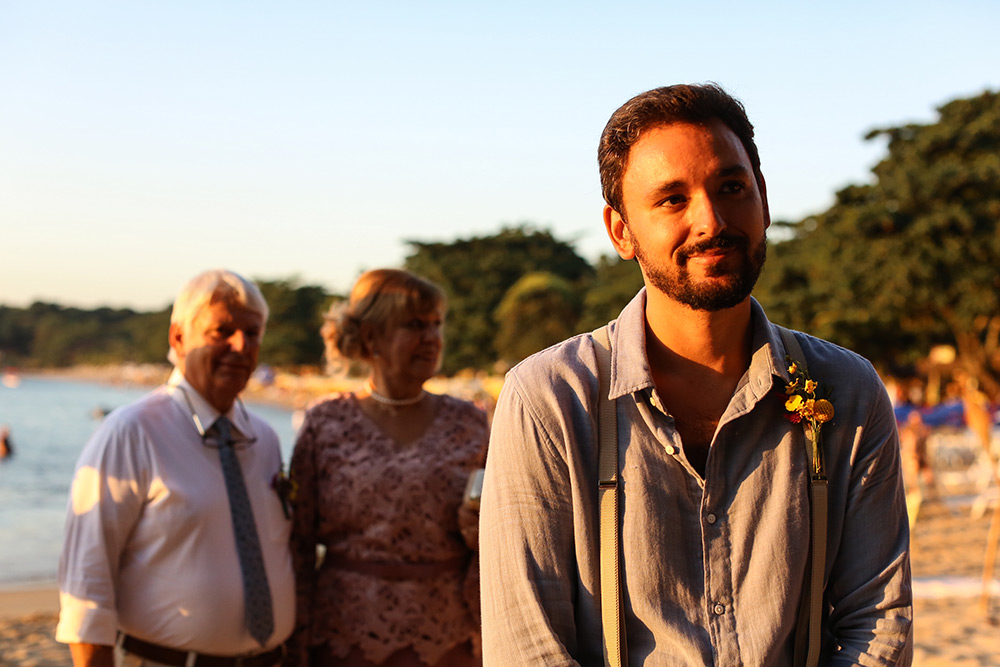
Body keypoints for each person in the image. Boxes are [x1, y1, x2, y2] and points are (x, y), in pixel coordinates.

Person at [480, 84, 913, 665]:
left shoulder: (849, 393)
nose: (711, 221)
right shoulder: (550, 401)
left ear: (763, 200)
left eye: (731, 188)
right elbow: (527, 647)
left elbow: (878, 626)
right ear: (620, 231)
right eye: (672, 200)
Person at [56, 269, 295, 667]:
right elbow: (87, 580)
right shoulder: (131, 432)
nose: (241, 345)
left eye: (252, 334)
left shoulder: (265, 439)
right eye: (222, 331)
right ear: (179, 337)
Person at [288, 268, 488, 666]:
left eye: (436, 324)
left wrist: (480, 532)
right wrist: (295, 646)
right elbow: (298, 545)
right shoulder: (325, 423)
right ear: (370, 337)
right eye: (414, 325)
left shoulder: (470, 422)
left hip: (448, 637)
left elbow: (500, 538)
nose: (432, 338)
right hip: (342, 639)